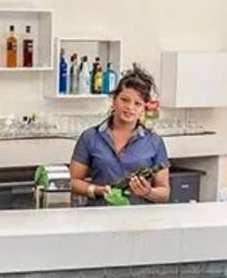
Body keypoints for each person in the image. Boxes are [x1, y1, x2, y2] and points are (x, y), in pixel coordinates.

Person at [69, 65, 170, 205]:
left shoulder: (154, 142)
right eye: (124, 100)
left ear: (143, 108)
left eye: (137, 104)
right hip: (99, 214)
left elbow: (164, 193)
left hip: (139, 216)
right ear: (114, 101)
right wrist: (97, 190)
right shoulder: (90, 137)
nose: (130, 107)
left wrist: (148, 192)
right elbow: (73, 182)